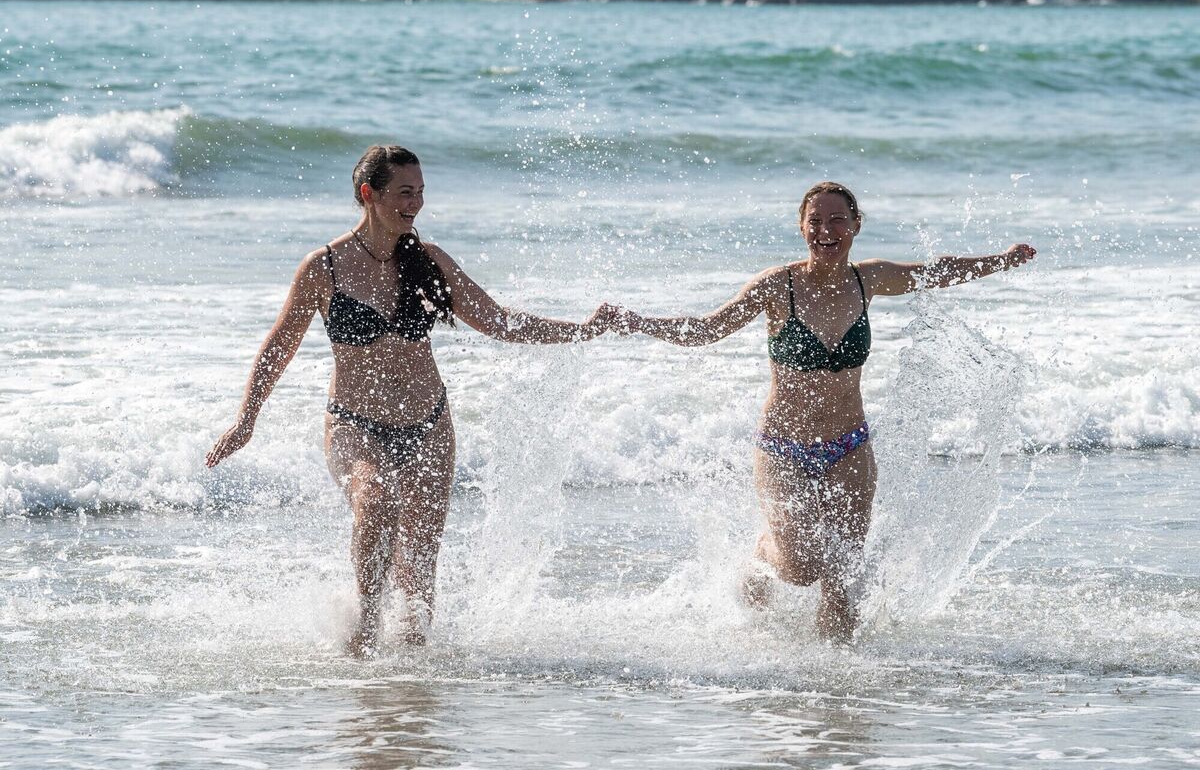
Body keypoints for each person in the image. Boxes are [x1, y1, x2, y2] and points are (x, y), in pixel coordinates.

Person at [206, 145, 611, 655]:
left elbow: (499, 321)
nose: (415, 203)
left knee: (418, 574)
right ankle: (365, 631)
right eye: (404, 192)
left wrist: (580, 330)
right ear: (368, 195)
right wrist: (246, 420)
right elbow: (279, 345)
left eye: (420, 192)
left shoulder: (429, 261)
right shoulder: (324, 268)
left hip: (429, 423)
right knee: (373, 503)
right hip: (355, 423)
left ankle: (409, 694)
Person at [610, 182, 1036, 642]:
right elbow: (706, 329)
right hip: (783, 447)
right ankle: (762, 554)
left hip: (850, 445)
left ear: (855, 226)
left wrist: (1002, 260)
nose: (825, 231)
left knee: (843, 573)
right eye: (814, 222)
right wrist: (637, 322)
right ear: (801, 228)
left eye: (836, 220)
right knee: (800, 568)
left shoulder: (866, 280)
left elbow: (935, 272)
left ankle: (838, 685)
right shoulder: (778, 286)